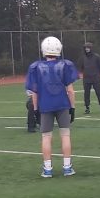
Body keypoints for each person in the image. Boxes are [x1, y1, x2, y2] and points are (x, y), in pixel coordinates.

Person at [26, 36, 78, 179]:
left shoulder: (36, 67)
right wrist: (72, 107)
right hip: (62, 104)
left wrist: (35, 109)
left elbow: (34, 92)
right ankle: (67, 167)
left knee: (46, 137)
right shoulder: (65, 65)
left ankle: (47, 168)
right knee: (65, 135)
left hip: (45, 105)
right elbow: (71, 90)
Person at [80, 42, 100, 114]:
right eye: (85, 48)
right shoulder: (83, 57)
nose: (87, 49)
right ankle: (87, 108)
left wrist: (98, 74)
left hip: (95, 78)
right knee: (86, 94)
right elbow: (81, 67)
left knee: (98, 92)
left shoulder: (97, 57)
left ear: (91, 48)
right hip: (86, 79)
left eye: (88, 48)